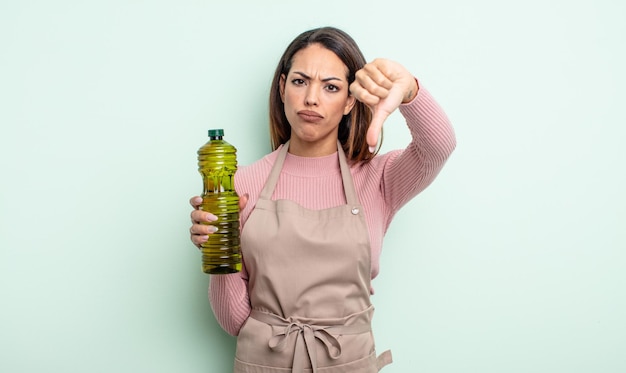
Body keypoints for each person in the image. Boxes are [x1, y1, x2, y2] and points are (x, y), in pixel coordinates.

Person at [189, 26, 456, 373]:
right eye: (300, 81)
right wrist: (219, 252)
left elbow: (438, 148)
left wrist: (410, 91)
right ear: (282, 87)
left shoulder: (379, 179)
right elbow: (234, 322)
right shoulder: (242, 184)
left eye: (331, 87)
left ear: (349, 101)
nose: (312, 98)